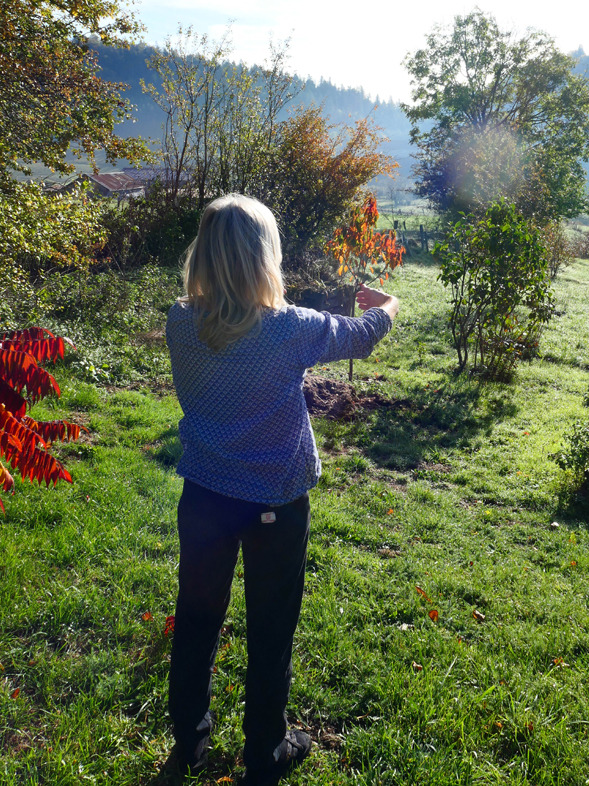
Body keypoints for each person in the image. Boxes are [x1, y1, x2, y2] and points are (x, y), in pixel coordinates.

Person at [165, 193, 399, 785]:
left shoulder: (179, 320)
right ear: (263, 255)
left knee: (196, 619)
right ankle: (265, 752)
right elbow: (362, 336)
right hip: (275, 501)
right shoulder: (289, 328)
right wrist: (388, 305)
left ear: (204, 254)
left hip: (204, 496)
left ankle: (189, 742)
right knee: (270, 629)